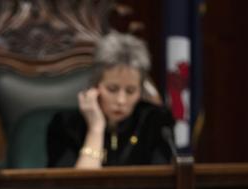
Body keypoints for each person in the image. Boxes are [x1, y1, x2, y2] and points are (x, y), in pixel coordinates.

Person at [47, 31, 175, 168]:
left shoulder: (157, 122)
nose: (121, 100)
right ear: (95, 86)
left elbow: (161, 183)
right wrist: (96, 129)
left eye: (130, 91)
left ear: (140, 91)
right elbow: (73, 186)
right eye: (112, 89)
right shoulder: (66, 125)